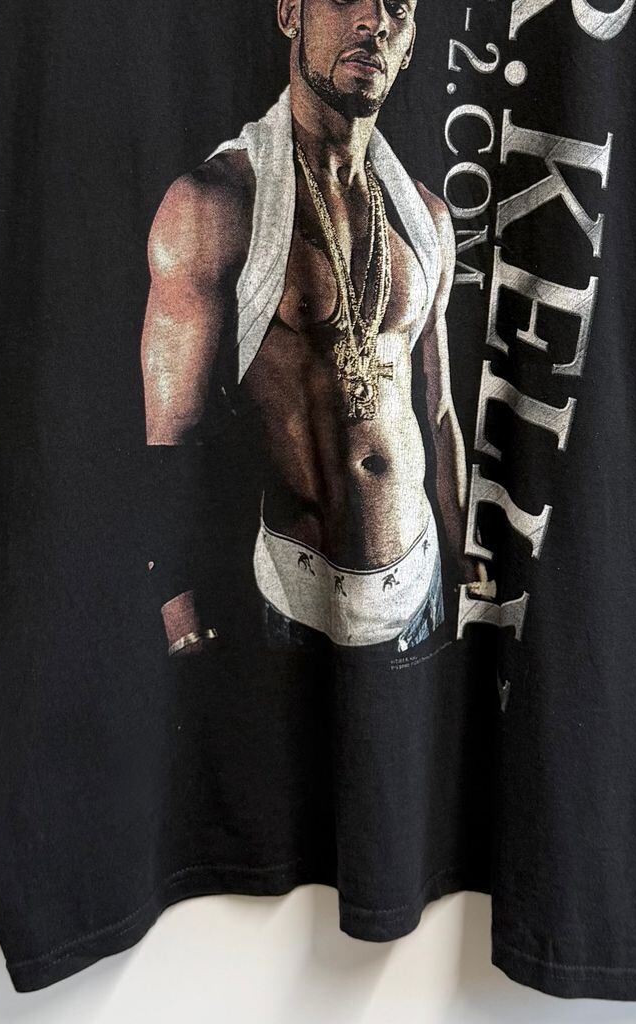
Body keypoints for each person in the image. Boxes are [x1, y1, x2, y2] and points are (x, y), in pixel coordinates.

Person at [139, 0, 485, 657]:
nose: (374, 22)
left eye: (398, 9)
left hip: (420, 589)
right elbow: (174, 438)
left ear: (410, 43)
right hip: (290, 600)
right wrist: (185, 627)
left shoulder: (427, 220)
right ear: (290, 12)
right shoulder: (214, 205)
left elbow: (438, 414)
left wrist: (466, 568)